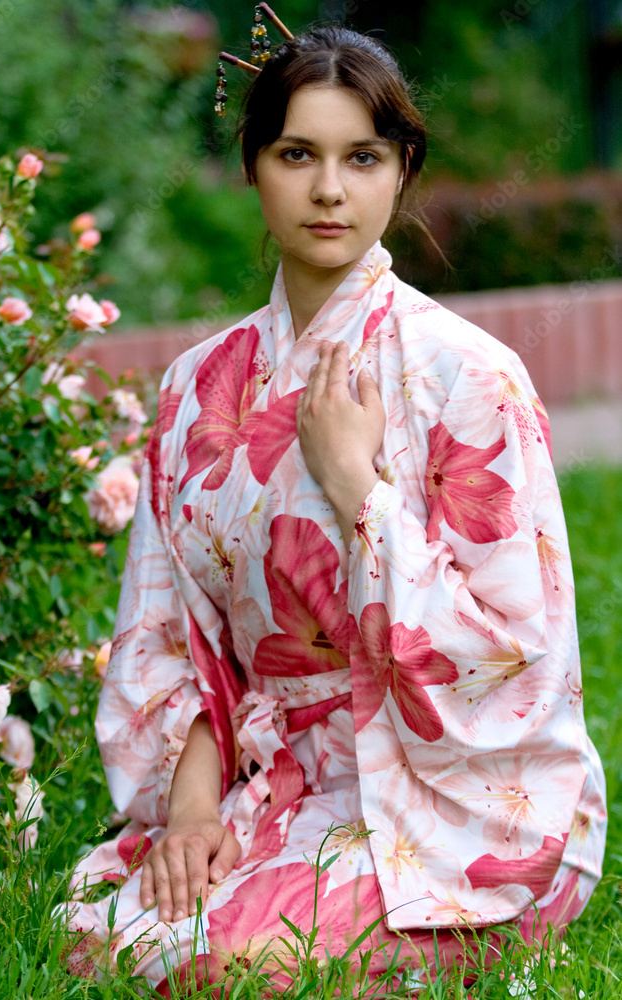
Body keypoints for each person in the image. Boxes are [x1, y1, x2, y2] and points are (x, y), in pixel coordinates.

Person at [62, 21, 607, 995]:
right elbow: (171, 635)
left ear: (401, 169)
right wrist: (190, 815)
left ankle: (479, 926)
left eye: (360, 157)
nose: (327, 190)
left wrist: (357, 487)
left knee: (235, 967)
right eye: (295, 155)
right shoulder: (196, 390)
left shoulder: (471, 377)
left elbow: (512, 654)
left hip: (455, 792)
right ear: (253, 167)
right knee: (108, 939)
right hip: (279, 781)